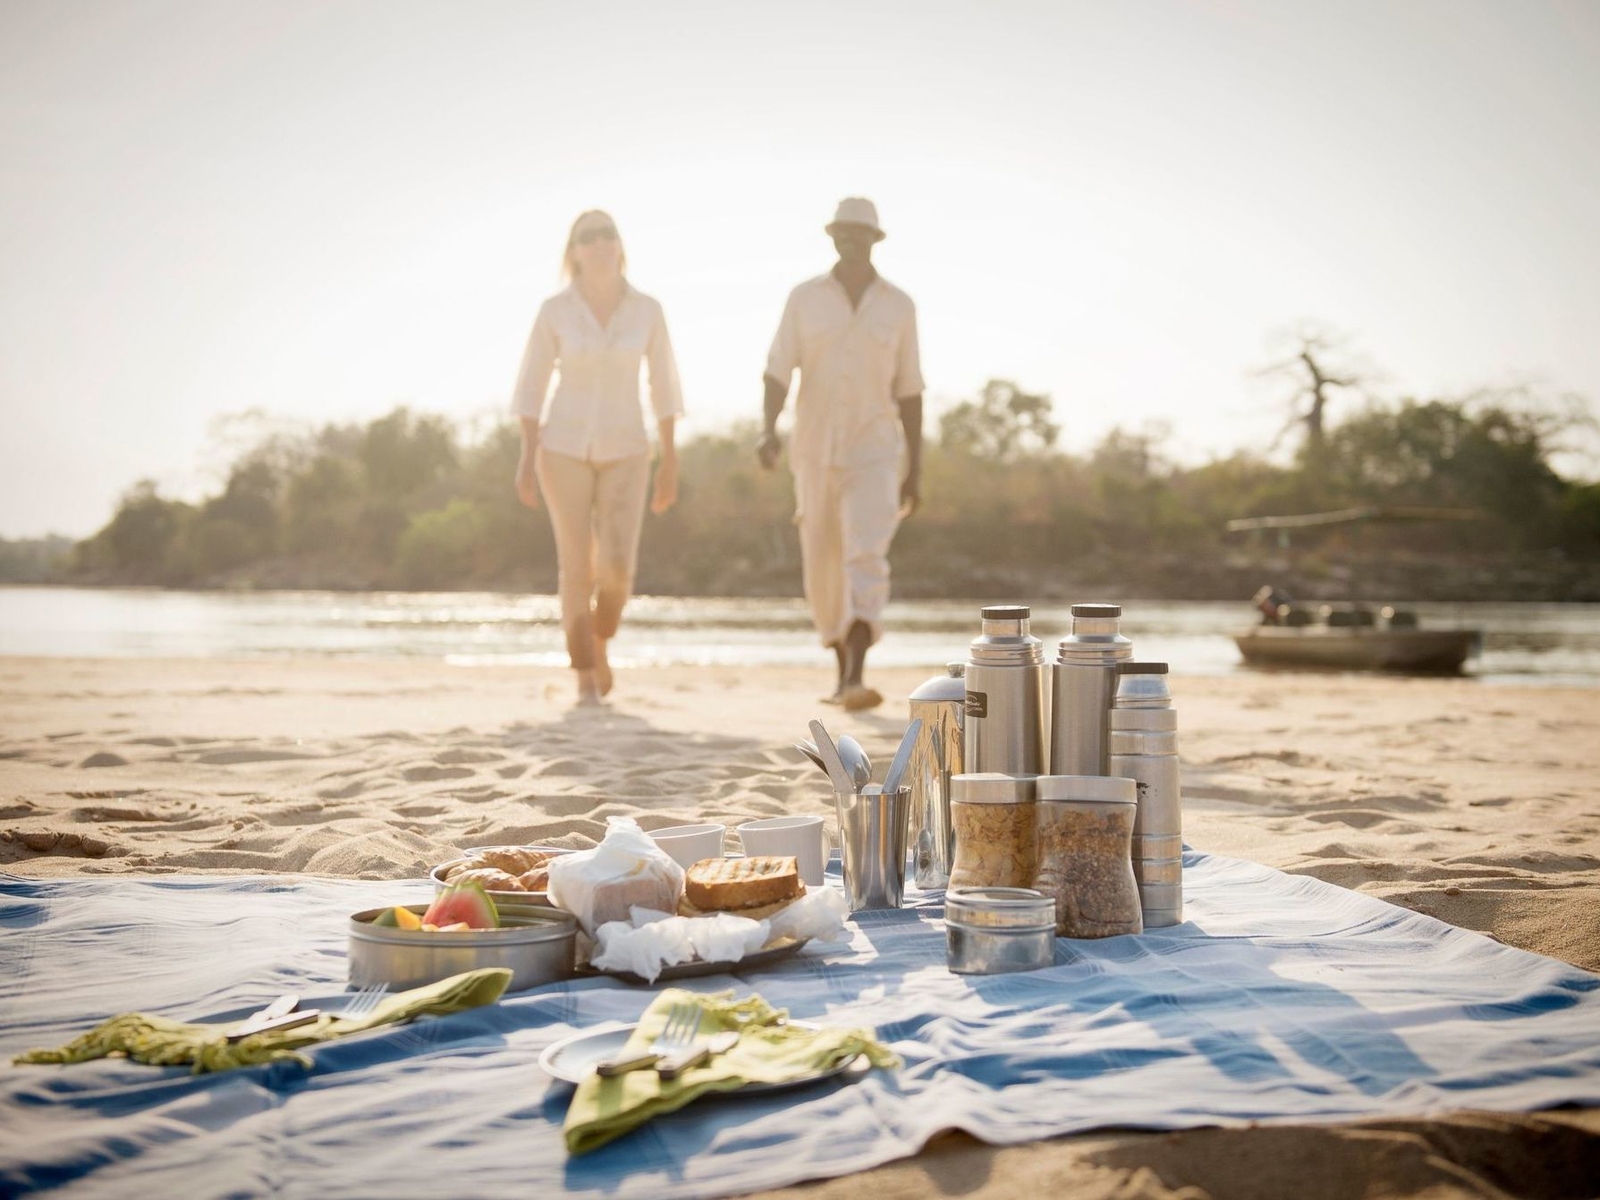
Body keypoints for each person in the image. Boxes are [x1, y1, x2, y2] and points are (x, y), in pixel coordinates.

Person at [511, 209, 683, 707]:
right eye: (588, 236)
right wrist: (526, 457)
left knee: (616, 567)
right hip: (561, 449)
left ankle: (600, 642)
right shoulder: (555, 311)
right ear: (574, 252)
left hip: (628, 448)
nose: (600, 242)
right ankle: (585, 673)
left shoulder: (647, 310)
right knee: (575, 565)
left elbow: (665, 385)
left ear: (620, 245)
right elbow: (531, 385)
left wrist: (670, 460)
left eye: (608, 233)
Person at [759, 198, 924, 711]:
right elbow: (778, 369)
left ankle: (855, 675)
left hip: (875, 451)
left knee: (866, 554)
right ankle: (840, 676)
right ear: (832, 237)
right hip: (813, 449)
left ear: (875, 240)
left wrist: (915, 469)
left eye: (860, 233)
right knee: (823, 563)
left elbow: (911, 390)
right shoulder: (804, 299)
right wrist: (767, 429)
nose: (850, 240)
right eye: (842, 232)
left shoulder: (899, 306)